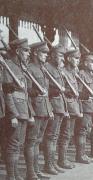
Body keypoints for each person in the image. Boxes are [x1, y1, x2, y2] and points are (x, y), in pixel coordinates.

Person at [2, 38, 34, 180]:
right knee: (13, 145)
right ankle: (11, 176)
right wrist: (13, 115)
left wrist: (30, 113)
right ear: (17, 51)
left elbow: (25, 93)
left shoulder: (20, 67)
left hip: (23, 111)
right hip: (15, 112)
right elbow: (7, 92)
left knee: (19, 145)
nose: (28, 53)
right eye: (26, 50)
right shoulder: (7, 66)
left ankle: (15, 174)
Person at [25, 41, 53, 179]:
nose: (46, 55)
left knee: (37, 141)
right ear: (35, 53)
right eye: (43, 52)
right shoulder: (29, 69)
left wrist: (50, 109)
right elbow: (27, 91)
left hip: (45, 109)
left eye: (47, 53)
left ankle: (36, 171)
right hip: (35, 109)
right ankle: (30, 173)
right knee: (31, 141)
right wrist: (30, 112)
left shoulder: (42, 69)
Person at [43, 45, 67, 174]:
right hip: (52, 104)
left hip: (60, 105)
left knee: (55, 136)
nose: (62, 58)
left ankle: (52, 163)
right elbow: (45, 89)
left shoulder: (57, 69)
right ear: (52, 55)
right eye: (60, 55)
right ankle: (48, 165)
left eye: (63, 56)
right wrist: (56, 91)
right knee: (50, 136)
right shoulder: (47, 68)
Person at [57, 48, 82, 169]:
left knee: (68, 133)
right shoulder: (62, 72)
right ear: (68, 59)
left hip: (73, 106)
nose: (78, 61)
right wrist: (70, 92)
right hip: (66, 106)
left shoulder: (73, 72)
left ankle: (63, 158)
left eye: (78, 58)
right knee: (65, 134)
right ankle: (62, 160)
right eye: (76, 58)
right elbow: (61, 89)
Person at [76, 53, 93, 163]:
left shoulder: (91, 74)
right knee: (82, 131)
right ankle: (80, 155)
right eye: (92, 62)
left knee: (85, 130)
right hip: (84, 106)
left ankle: (83, 154)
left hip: (91, 106)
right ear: (85, 63)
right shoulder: (82, 74)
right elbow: (79, 93)